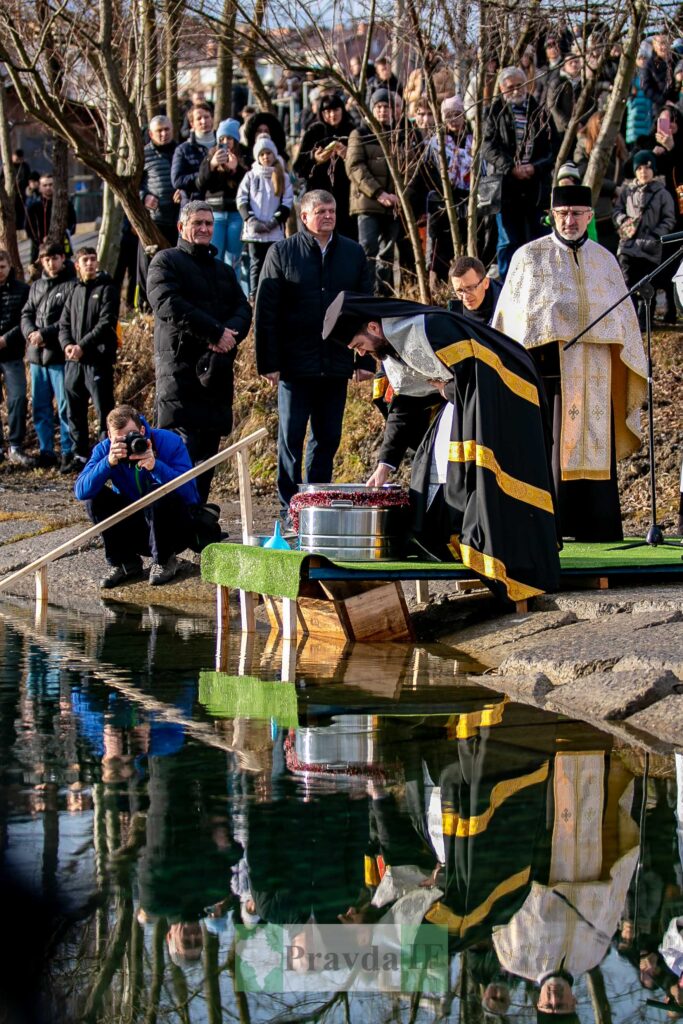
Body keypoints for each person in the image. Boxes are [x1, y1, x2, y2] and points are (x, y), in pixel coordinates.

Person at [322, 291, 560, 604]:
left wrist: (445, 388)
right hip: (464, 405)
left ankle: (494, 553)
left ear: (373, 328)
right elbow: (405, 404)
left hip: (504, 401)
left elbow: (481, 375)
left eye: (359, 345)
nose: (363, 354)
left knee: (466, 470)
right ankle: (458, 543)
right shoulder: (392, 350)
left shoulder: (432, 328)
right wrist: (385, 464)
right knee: (429, 467)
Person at [493, 184, 648, 542]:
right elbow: (511, 323)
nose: (569, 221)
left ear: (590, 217)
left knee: (597, 448)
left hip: (597, 371)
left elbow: (624, 320)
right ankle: (554, 532)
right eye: (562, 214)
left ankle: (600, 531)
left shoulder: (605, 260)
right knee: (553, 452)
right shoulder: (529, 257)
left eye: (577, 213)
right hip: (549, 375)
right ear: (552, 217)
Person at [254, 189, 374, 517]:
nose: (328, 216)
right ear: (304, 217)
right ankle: (289, 508)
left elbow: (366, 307)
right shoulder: (282, 253)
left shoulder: (352, 253)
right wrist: (269, 362)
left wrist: (364, 360)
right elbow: (267, 313)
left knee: (328, 439)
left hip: (335, 363)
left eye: (332, 210)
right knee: (290, 441)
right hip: (294, 366)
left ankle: (316, 505)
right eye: (320, 211)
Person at [146, 200, 252, 503]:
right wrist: (214, 332)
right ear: (182, 227)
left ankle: (195, 528)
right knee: (178, 462)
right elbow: (168, 303)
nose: (205, 228)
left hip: (215, 378)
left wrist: (228, 335)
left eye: (209, 223)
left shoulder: (224, 271)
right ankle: (169, 533)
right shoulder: (165, 262)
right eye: (198, 223)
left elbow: (242, 308)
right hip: (179, 379)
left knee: (206, 462)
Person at [74, 405, 202, 588]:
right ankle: (124, 563)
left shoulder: (169, 442)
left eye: (132, 435)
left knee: (157, 491)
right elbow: (81, 491)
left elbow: (191, 495)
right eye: (120, 438)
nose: (127, 442)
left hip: (172, 528)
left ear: (142, 430)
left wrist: (155, 466)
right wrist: (108, 463)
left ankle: (165, 561)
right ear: (110, 437)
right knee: (94, 498)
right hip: (136, 528)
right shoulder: (104, 449)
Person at [482, 66, 554, 280]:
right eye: (510, 87)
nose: (516, 91)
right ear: (503, 89)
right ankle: (507, 285)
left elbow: (551, 149)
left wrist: (535, 167)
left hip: (534, 186)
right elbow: (487, 147)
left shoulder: (539, 111)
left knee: (537, 239)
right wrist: (511, 167)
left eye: (519, 85)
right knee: (508, 240)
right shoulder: (495, 111)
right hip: (506, 187)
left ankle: (537, 284)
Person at [58, 247, 120, 472]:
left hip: (97, 361)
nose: (91, 264)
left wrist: (82, 346)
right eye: (86, 260)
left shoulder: (107, 289)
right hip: (73, 363)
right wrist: (67, 346)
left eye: (93, 259)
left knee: (104, 410)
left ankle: (107, 456)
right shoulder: (73, 291)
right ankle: (80, 455)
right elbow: (63, 323)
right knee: (74, 411)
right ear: (77, 265)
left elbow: (106, 324)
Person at [21, 242, 76, 470]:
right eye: (46, 259)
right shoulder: (36, 286)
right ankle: (46, 450)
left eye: (55, 258)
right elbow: (26, 313)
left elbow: (67, 319)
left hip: (58, 356)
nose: (51, 263)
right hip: (36, 357)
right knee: (40, 407)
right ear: (41, 261)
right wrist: (31, 333)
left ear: (63, 259)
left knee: (65, 407)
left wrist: (44, 334)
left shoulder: (72, 285)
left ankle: (67, 450)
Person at [345, 88, 403, 296]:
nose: (382, 111)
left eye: (386, 107)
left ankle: (384, 294)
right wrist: (379, 193)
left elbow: (408, 167)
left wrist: (398, 196)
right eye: (378, 107)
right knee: (367, 248)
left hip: (393, 204)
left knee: (388, 253)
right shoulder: (360, 133)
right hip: (368, 202)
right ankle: (365, 294)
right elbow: (354, 167)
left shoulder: (397, 135)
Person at [613, 150, 676, 327]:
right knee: (626, 284)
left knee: (648, 286)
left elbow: (669, 218)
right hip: (627, 244)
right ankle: (629, 321)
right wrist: (623, 221)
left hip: (649, 247)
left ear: (653, 170)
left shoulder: (662, 193)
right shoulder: (627, 191)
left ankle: (645, 321)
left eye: (647, 168)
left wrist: (657, 234)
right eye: (639, 168)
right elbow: (617, 211)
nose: (643, 171)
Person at [237, 137, 294, 301]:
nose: (265, 157)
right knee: (256, 263)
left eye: (268, 153)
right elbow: (242, 199)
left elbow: (287, 201)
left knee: (275, 263)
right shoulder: (250, 176)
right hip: (255, 232)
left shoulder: (283, 176)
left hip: (274, 231)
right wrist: (251, 219)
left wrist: (274, 222)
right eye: (261, 154)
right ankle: (254, 295)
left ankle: (274, 293)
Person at [293, 93, 357, 240]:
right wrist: (314, 159)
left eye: (335, 110)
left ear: (342, 110)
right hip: (319, 196)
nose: (332, 115)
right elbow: (298, 168)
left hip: (346, 198)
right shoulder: (315, 132)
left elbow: (361, 164)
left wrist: (348, 155)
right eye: (327, 112)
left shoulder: (352, 131)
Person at [197, 118, 248, 269]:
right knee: (214, 258)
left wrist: (236, 169)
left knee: (233, 261)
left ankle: (233, 291)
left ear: (236, 140)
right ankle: (214, 292)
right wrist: (212, 165)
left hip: (236, 214)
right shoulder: (210, 156)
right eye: (222, 138)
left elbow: (248, 186)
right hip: (215, 213)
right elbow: (201, 184)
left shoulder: (244, 157)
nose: (226, 142)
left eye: (230, 138)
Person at [0, 250, 31, 466]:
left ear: (9, 265)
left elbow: (25, 321)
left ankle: (15, 445)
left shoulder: (23, 290)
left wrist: (4, 339)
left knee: (18, 398)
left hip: (12, 354)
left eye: (2, 266)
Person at [171, 103, 216, 208]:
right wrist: (204, 174)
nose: (203, 121)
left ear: (212, 118)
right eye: (199, 118)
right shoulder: (183, 149)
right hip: (192, 205)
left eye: (206, 117)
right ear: (192, 123)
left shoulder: (222, 145)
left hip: (220, 206)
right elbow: (177, 180)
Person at [447, 255, 501, 325]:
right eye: (459, 291)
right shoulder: (455, 313)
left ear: (486, 283)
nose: (465, 297)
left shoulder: (509, 299)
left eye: (470, 288)